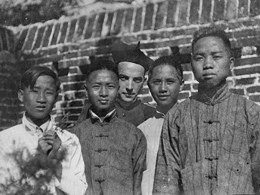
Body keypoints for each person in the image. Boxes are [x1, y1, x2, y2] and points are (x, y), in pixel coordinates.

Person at [153, 26, 260, 195]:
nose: (208, 64)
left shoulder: (252, 113)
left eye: (216, 56)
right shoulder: (176, 117)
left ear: (231, 62)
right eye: (200, 58)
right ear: (191, 63)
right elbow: (165, 184)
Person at [0, 66, 87, 195]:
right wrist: (36, 161)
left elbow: (81, 191)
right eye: (35, 91)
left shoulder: (68, 140)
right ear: (21, 95)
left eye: (49, 92)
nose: (41, 99)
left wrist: (55, 164)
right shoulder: (4, 139)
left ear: (56, 97)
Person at [73, 59, 147, 195]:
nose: (103, 93)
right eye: (96, 86)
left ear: (118, 89)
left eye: (110, 86)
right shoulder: (73, 137)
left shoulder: (134, 135)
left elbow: (137, 187)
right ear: (86, 90)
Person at [77, 40, 156, 126]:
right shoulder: (94, 110)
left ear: (143, 82)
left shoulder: (150, 115)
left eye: (136, 80)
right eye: (123, 78)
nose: (129, 87)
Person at [138, 56, 183, 195]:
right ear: (148, 84)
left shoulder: (193, 123)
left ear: (181, 83)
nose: (163, 88)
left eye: (170, 81)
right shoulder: (141, 131)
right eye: (157, 82)